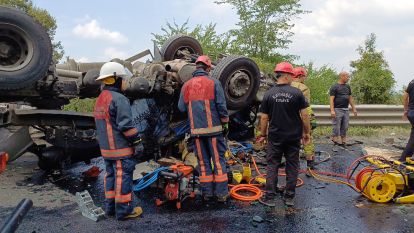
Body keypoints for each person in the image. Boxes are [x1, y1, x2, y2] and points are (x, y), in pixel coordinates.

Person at [257, 61, 311, 207]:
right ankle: (289, 197)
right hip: (293, 136)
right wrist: (307, 133)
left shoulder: (269, 94)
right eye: (291, 75)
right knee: (292, 165)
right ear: (286, 75)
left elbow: (264, 117)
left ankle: (270, 197)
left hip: (275, 136)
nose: (293, 78)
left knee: (272, 165)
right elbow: (305, 116)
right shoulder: (297, 93)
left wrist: (263, 134)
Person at [94, 62, 143, 220]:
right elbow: (125, 126)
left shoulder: (101, 98)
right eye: (123, 78)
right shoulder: (119, 99)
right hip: (120, 149)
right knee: (122, 178)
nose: (126, 81)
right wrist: (138, 141)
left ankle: (110, 209)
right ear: (115, 79)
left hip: (106, 150)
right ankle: (124, 211)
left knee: (110, 176)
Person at [178, 55, 230, 202]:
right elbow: (221, 105)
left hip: (196, 132)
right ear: (208, 68)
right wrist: (225, 122)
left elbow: (181, 108)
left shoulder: (186, 85)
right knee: (219, 162)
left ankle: (207, 194)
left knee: (203, 162)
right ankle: (221, 194)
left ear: (196, 68)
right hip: (214, 131)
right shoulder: (214, 83)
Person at [291, 67, 315, 169]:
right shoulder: (304, 88)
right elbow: (305, 107)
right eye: (304, 76)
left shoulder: (286, 85)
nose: (304, 79)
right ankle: (310, 162)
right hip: (302, 116)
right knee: (307, 137)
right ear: (300, 76)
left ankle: (293, 163)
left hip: (288, 117)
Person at [329, 72, 357, 145]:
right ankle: (335, 141)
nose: (348, 78)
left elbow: (350, 98)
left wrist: (354, 108)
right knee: (336, 126)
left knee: (345, 126)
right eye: (347, 77)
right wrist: (332, 110)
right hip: (337, 109)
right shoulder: (334, 87)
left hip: (346, 109)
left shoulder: (347, 87)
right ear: (342, 76)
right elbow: (331, 99)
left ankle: (343, 142)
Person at [400, 79, 414, 162]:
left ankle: (403, 159)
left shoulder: (412, 82)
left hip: (411, 112)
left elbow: (405, 96)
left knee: (413, 138)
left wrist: (406, 110)